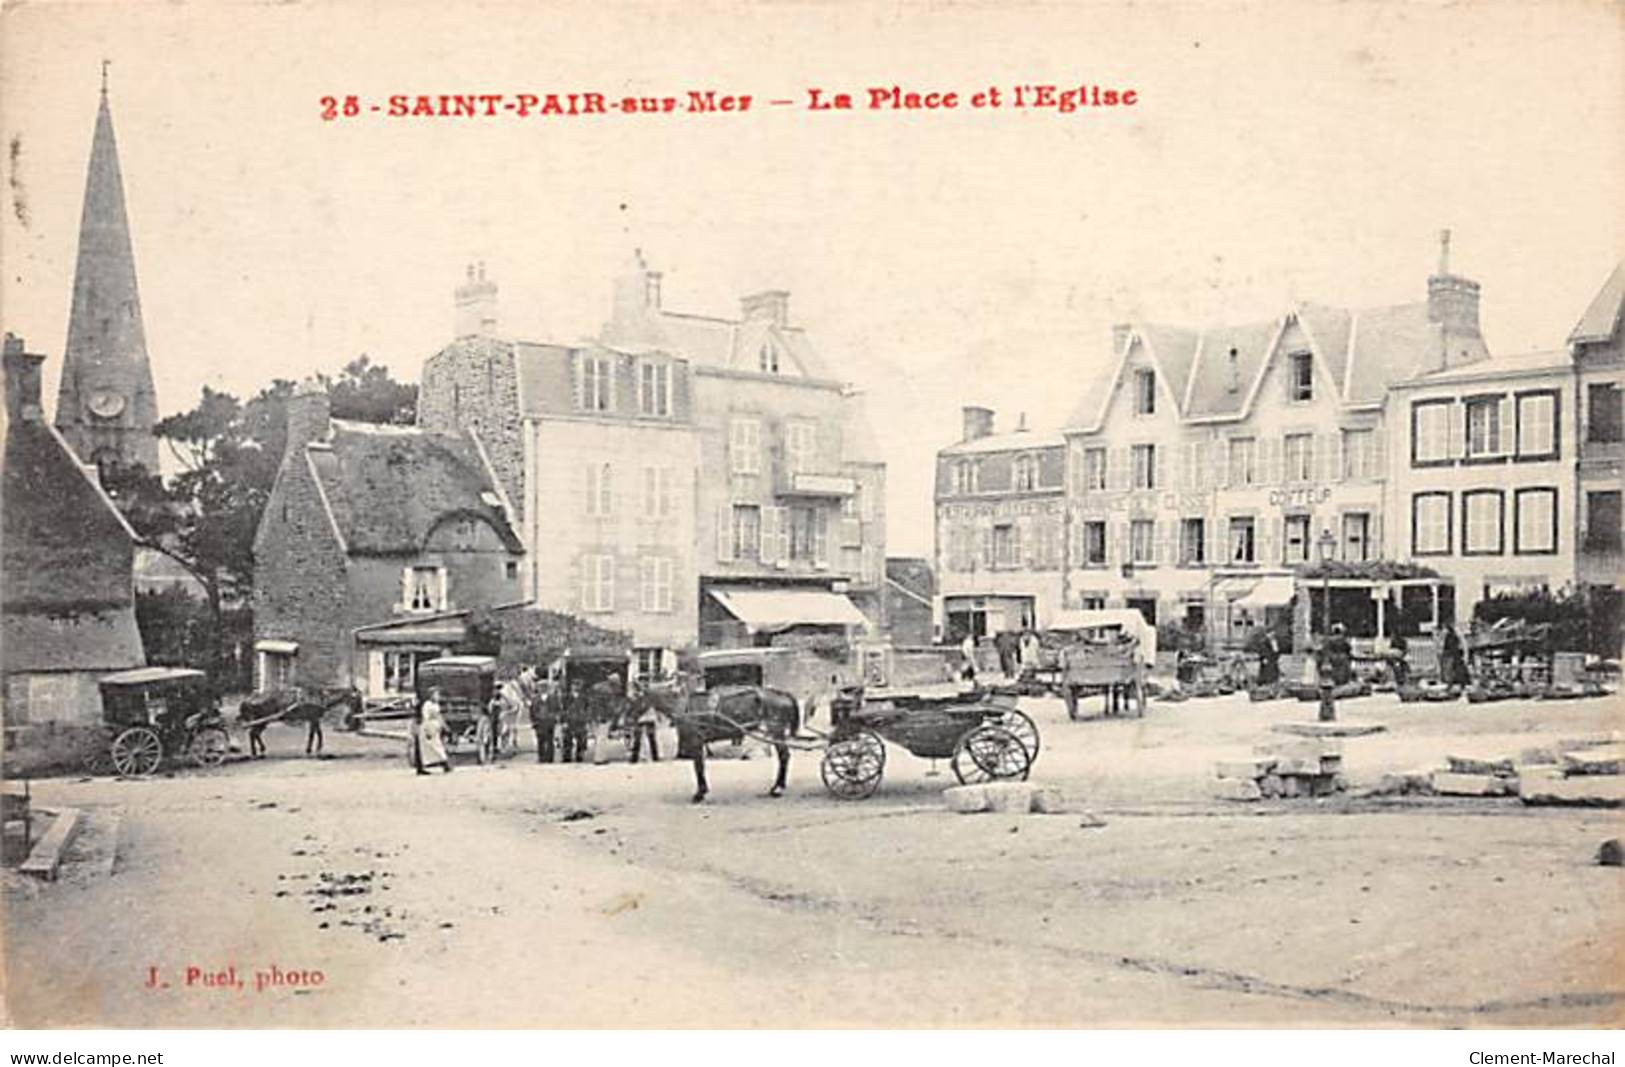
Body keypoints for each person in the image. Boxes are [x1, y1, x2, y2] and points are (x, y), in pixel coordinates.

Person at [416, 688, 452, 775]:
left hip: (435, 728)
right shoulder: (427, 705)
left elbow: (439, 717)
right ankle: (423, 766)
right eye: (436, 695)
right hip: (428, 727)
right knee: (429, 747)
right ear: (431, 695)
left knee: (437, 745)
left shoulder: (436, 705)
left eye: (438, 695)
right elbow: (426, 718)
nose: (438, 697)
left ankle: (444, 763)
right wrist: (427, 730)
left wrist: (445, 726)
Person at [527, 671, 557, 764]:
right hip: (539, 722)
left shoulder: (553, 698)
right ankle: (541, 758)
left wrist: (553, 717)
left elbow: (556, 709)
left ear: (547, 688)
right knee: (540, 740)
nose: (542, 689)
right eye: (540, 687)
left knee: (550, 740)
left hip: (549, 722)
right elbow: (531, 711)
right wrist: (533, 721)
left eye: (544, 687)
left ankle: (550, 758)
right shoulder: (535, 699)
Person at [562, 680, 588, 763]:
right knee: (567, 739)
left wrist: (587, 720)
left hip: (580, 721)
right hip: (569, 720)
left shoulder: (584, 697)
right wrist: (564, 721)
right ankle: (567, 756)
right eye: (574, 685)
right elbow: (563, 710)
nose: (576, 687)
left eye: (578, 685)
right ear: (571, 686)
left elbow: (587, 709)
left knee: (581, 739)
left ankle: (579, 755)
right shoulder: (566, 697)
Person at [1439, 624, 1470, 688]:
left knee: (1457, 670)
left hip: (1454, 654)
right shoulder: (1444, 634)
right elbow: (1441, 645)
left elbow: (1464, 643)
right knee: (1447, 670)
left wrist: (1465, 655)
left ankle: (1458, 685)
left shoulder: (1456, 632)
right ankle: (1449, 684)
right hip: (1448, 654)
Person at [1325, 622, 1354, 687]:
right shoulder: (1343, 639)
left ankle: (1336, 682)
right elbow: (1348, 648)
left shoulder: (1330, 640)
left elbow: (1328, 649)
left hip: (1334, 657)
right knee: (1343, 670)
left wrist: (1330, 657)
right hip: (1343, 657)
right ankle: (1343, 682)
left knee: (1335, 670)